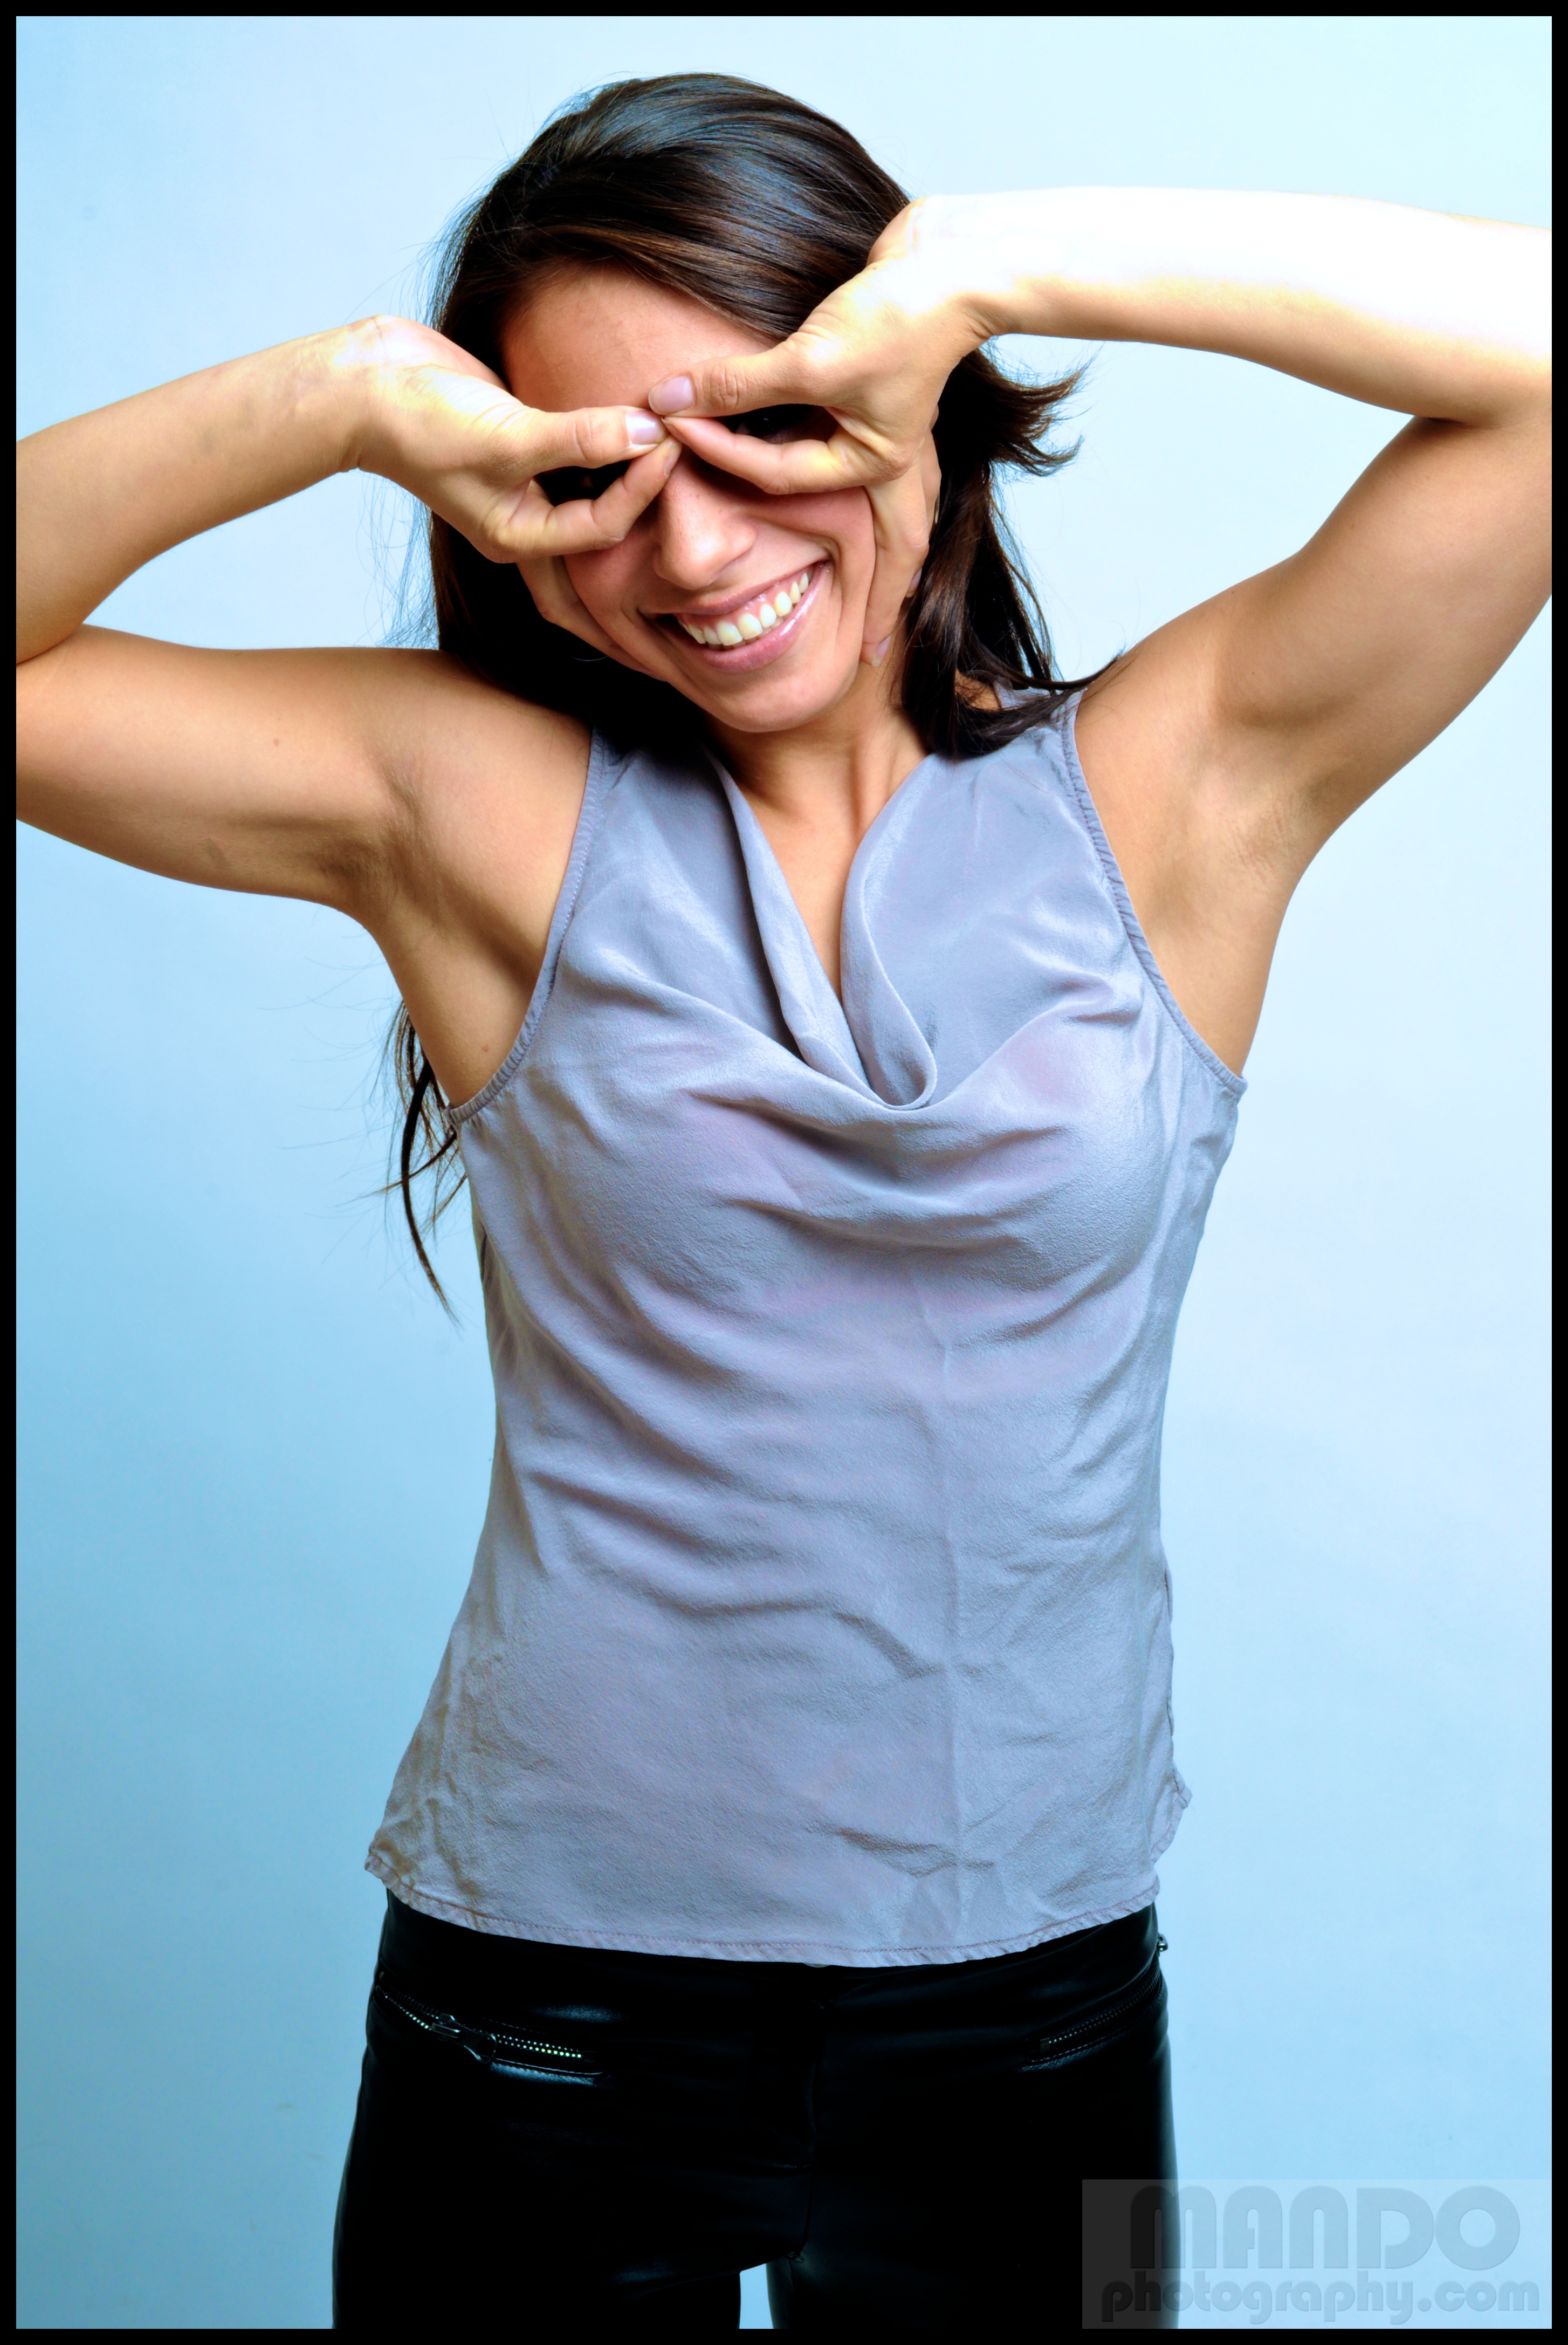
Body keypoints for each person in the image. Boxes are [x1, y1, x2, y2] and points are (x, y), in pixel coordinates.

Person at [16, 70, 1549, 2335]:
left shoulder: (1180, 790)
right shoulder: (468, 807)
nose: (694, 548)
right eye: (593, 478)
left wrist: (988, 265)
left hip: (1024, 2009)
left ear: (909, 404)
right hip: (543, 2014)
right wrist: (338, 399)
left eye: (762, 429)